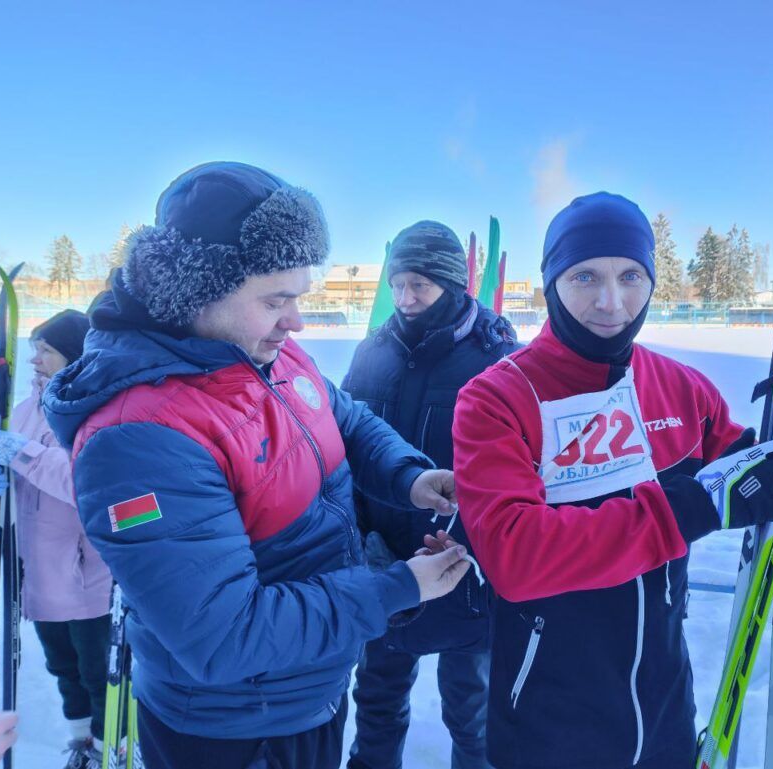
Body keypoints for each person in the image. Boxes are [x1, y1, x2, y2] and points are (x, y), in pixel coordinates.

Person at [41, 161, 471, 769]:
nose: (296, 322)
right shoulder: (137, 438)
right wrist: (398, 587)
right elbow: (224, 635)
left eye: (298, 298)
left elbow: (341, 417)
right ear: (199, 291)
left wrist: (410, 475)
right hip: (235, 728)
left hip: (304, 687)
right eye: (276, 300)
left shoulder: (262, 349)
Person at [451, 192, 773, 769]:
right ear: (551, 280)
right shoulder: (497, 398)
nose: (612, 302)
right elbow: (516, 557)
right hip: (546, 715)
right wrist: (691, 508)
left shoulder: (683, 389)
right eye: (585, 276)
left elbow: (757, 483)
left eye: (631, 276)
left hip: (664, 703)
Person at [342, 221, 517, 769]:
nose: (405, 298)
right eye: (398, 285)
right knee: (375, 699)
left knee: (473, 709)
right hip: (386, 559)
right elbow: (345, 443)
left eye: (419, 284)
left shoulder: (496, 355)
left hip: (467, 562)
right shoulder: (372, 352)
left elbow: (521, 465)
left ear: (452, 282)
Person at [0, 310, 112, 769]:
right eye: (33, 348)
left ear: (73, 354)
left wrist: (23, 454)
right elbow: (7, 471)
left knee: (96, 674)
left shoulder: (95, 407)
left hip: (86, 573)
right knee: (63, 669)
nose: (35, 359)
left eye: (45, 350)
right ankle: (81, 744)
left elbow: (87, 484)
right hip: (36, 571)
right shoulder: (27, 408)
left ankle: (110, 745)